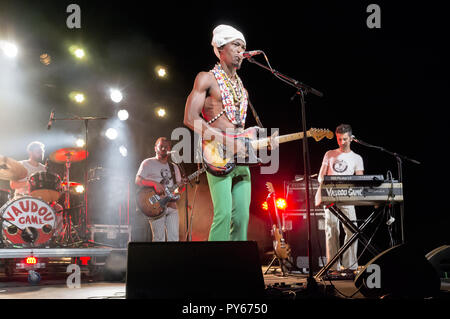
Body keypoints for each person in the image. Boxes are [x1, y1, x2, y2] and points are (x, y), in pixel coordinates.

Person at [184, 25, 277, 241]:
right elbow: (190, 118)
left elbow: (237, 126)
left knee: (242, 217)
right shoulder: (206, 78)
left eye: (243, 47)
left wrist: (256, 137)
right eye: (236, 45)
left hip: (241, 157)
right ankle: (214, 268)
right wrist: (225, 140)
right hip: (217, 154)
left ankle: (236, 269)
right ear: (219, 48)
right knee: (224, 214)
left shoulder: (243, 90)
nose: (241, 51)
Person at [316, 124, 364, 276]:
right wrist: (326, 183)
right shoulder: (329, 154)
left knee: (352, 229)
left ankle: (350, 265)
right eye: (339, 139)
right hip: (330, 195)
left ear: (351, 138)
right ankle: (333, 267)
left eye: (344, 139)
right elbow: (320, 176)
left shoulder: (357, 158)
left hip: (348, 195)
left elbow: (361, 179)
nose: (342, 142)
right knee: (332, 229)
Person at [135, 137, 183, 242]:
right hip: (156, 206)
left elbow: (178, 189)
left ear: (169, 149)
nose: (164, 148)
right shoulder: (148, 163)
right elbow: (138, 180)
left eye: (166, 147)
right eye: (161, 146)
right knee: (159, 239)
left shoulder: (174, 167)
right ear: (155, 148)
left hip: (172, 207)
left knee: (174, 240)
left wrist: (180, 188)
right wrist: (154, 183)